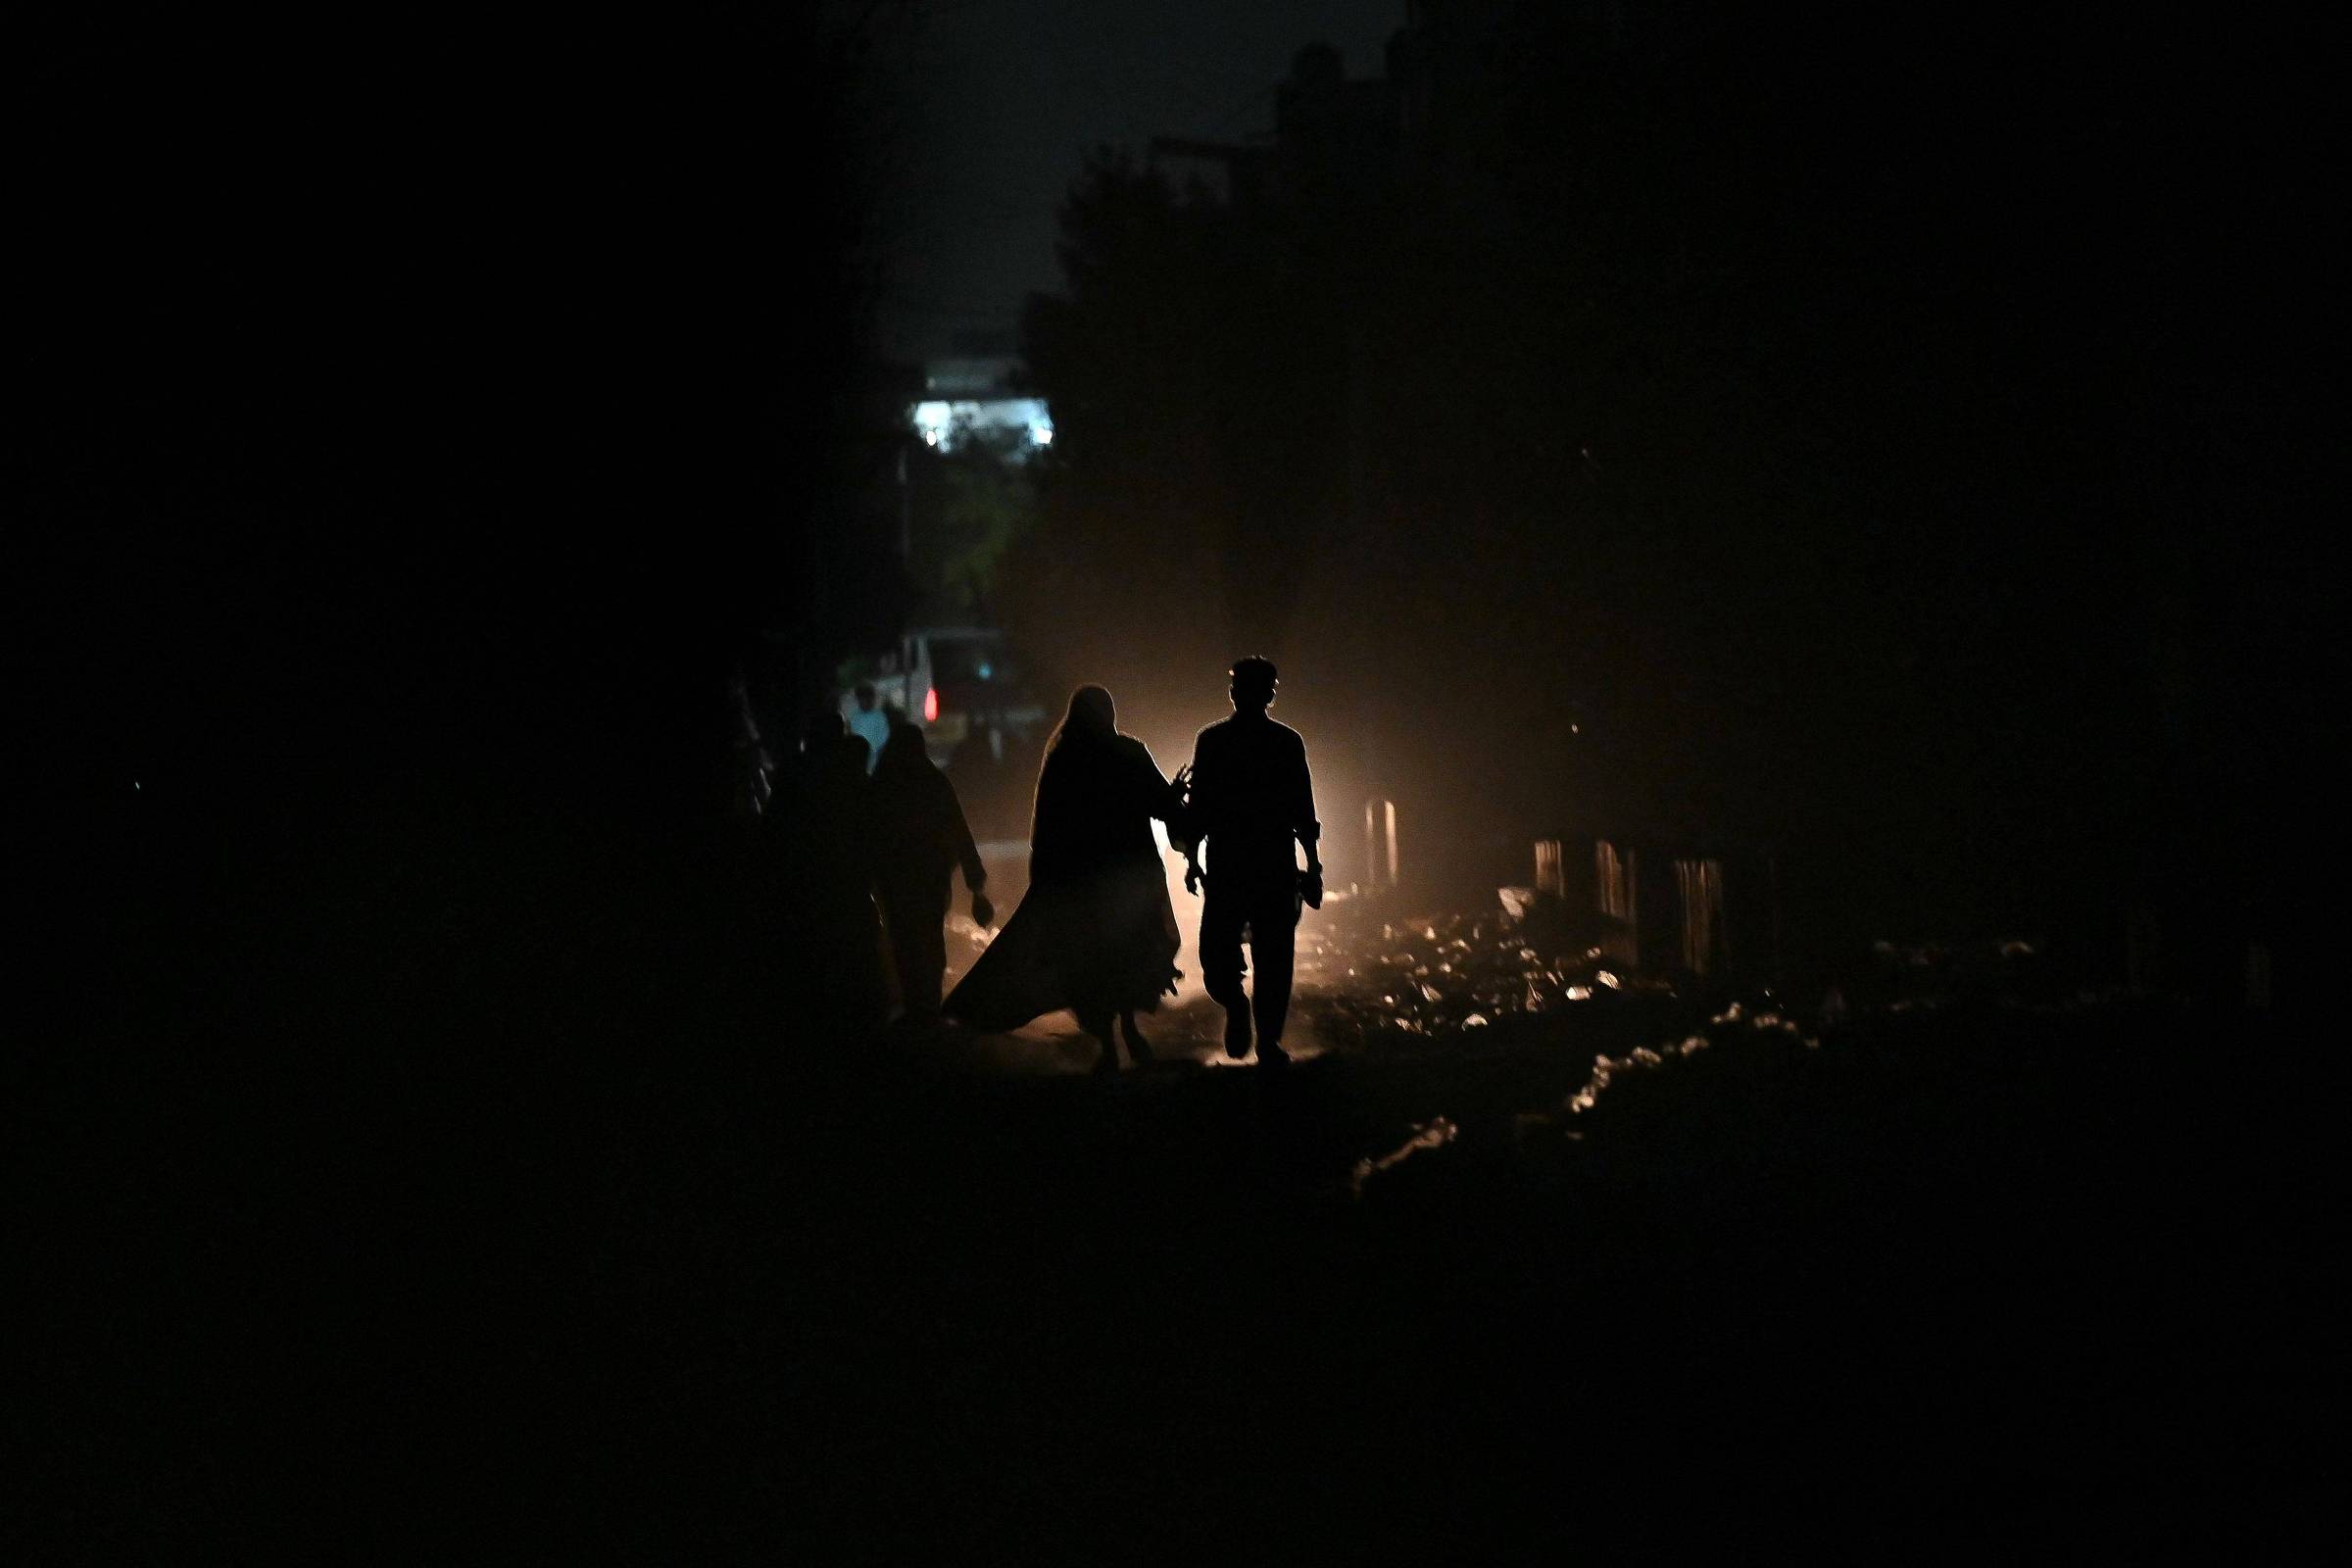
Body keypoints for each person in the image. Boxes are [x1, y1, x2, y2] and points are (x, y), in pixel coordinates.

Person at [943, 686, 1182, 1072]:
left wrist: (1047, 880)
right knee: (1130, 950)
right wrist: (1177, 799)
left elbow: (1048, 828)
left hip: (1081, 883)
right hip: (1129, 878)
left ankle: (1107, 1041)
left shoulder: (1064, 759)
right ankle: (1129, 1027)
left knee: (1091, 959)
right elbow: (1162, 804)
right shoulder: (1128, 753)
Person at [1182, 657, 1320, 1065]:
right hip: (1263, 863)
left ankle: (1262, 1035)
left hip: (1237, 864)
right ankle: (1255, 1025)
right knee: (1265, 955)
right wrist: (1312, 866)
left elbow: (1200, 809)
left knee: (1237, 953)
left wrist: (1192, 858)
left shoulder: (1217, 742)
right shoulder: (1281, 743)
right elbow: (1304, 813)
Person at [870, 715, 992, 1022]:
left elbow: (867, 832)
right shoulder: (933, 781)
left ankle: (915, 1002)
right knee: (929, 936)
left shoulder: (883, 783)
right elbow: (959, 831)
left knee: (903, 938)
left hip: (894, 880)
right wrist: (974, 882)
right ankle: (929, 1002)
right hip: (931, 880)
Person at [846, 682, 892, 775]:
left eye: (869, 698)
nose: (866, 701)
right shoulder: (853, 717)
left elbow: (883, 743)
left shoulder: (880, 717)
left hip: (875, 763)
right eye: (862, 698)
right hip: (857, 763)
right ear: (858, 699)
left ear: (873, 698)